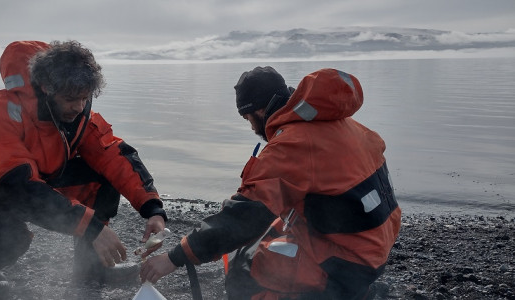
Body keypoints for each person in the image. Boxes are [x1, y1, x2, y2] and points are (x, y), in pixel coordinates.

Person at [140, 66, 401, 299]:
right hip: (374, 245)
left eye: (248, 119)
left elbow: (242, 219)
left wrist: (174, 258)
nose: (252, 127)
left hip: (343, 261)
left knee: (242, 268)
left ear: (260, 111)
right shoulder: (347, 126)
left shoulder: (291, 145)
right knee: (265, 235)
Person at [0, 40, 167, 298]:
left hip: (40, 180)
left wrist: (153, 209)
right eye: (71, 99)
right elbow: (17, 187)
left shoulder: (77, 115)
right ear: (46, 87)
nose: (79, 107)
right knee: (3, 236)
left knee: (105, 176)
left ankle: (91, 269)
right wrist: (91, 227)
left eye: (84, 98)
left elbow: (114, 156)